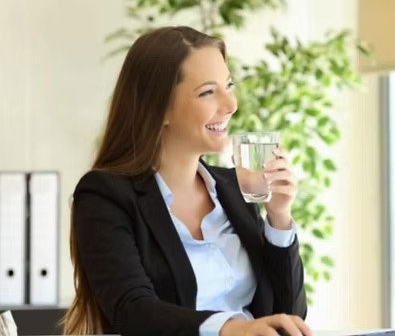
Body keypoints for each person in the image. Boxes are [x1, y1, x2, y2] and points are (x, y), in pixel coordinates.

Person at [62, 26, 310, 336]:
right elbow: (132, 311)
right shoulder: (105, 196)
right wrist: (228, 329)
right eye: (208, 92)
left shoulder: (233, 189)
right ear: (160, 108)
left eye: (228, 85)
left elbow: (289, 316)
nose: (231, 104)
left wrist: (279, 218)